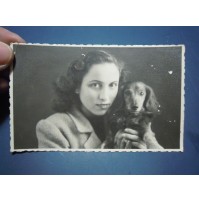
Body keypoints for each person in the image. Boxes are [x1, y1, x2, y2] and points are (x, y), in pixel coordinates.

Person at [36, 50, 162, 149]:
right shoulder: (53, 127)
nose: (105, 96)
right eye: (95, 85)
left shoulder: (127, 117)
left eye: (112, 85)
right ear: (77, 86)